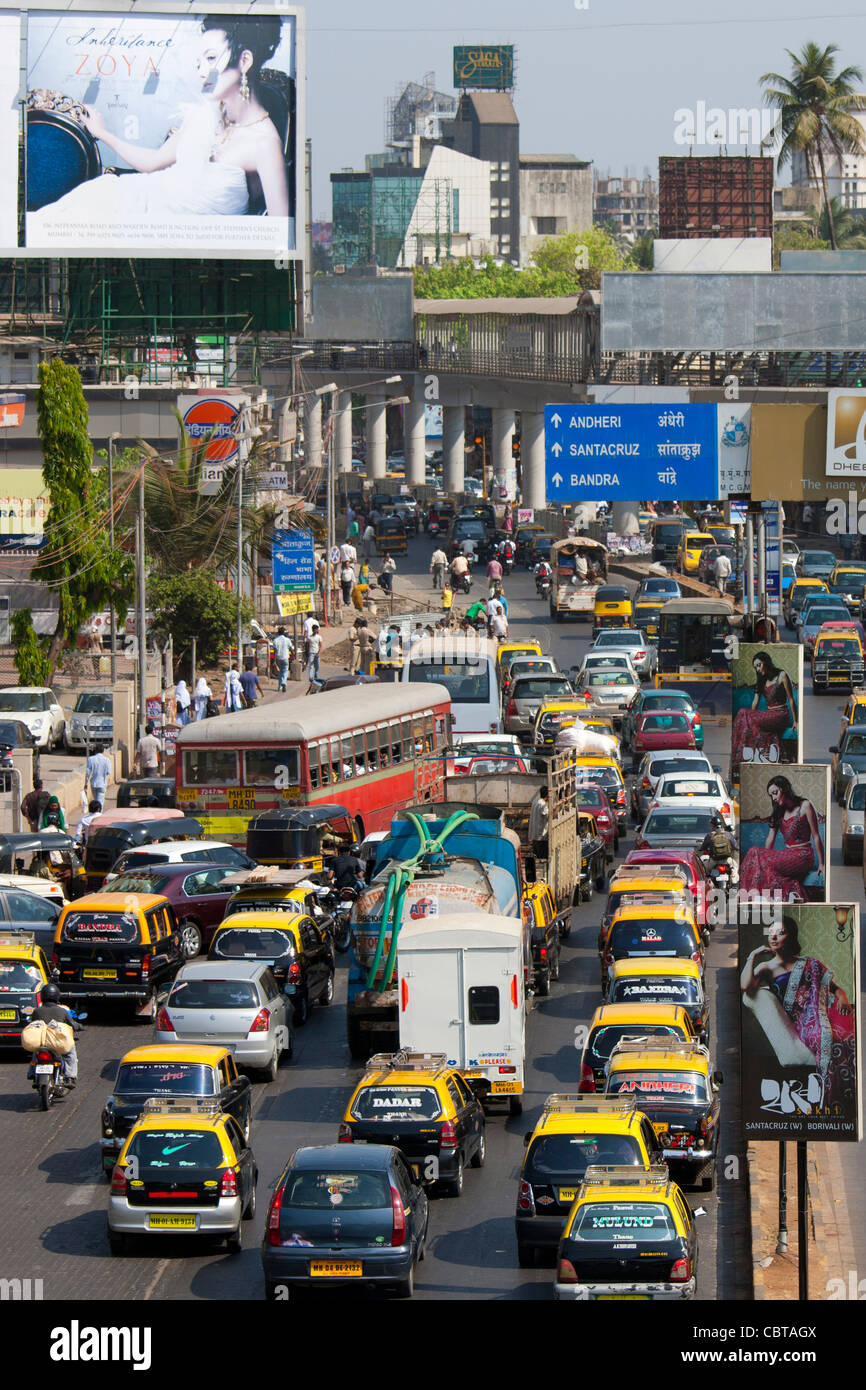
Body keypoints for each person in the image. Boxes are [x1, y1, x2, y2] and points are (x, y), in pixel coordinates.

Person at [30, 15, 290, 230]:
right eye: (198, 62)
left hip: (175, 244)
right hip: (134, 205)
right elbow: (153, 162)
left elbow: (279, 236)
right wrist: (104, 134)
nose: (201, 72)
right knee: (55, 224)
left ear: (244, 61)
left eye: (211, 59)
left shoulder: (264, 143)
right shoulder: (206, 116)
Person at [740, 914, 855, 1107]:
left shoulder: (810, 962)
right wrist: (753, 956)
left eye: (780, 933)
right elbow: (746, 986)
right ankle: (830, 1099)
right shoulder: (767, 967)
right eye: (771, 933)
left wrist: (842, 997)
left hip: (822, 1012)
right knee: (824, 1036)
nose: (774, 937)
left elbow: (835, 988)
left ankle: (848, 1096)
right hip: (800, 1020)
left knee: (847, 1036)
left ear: (791, 936)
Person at [739, 774, 824, 901]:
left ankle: (751, 898)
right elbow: (770, 838)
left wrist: (822, 863)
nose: (773, 798)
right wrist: (765, 857)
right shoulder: (779, 811)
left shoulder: (805, 806)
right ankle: (754, 898)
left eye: (775, 793)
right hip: (787, 853)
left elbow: (816, 836)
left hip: (803, 855)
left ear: (784, 789)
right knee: (755, 853)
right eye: (771, 795)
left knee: (756, 852)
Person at [732, 652, 798, 767]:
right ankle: (741, 755)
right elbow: (755, 702)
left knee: (744, 713)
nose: (757, 669)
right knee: (743, 713)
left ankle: (741, 756)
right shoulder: (761, 681)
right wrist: (750, 716)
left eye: (759, 665)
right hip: (768, 714)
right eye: (755, 667)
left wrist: (796, 721)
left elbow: (791, 699)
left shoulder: (781, 675)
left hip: (781, 714)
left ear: (766, 662)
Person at [27, 982, 81, 1086]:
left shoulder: (37, 1011)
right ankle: (70, 1077)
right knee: (70, 1054)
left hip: (41, 1042)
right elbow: (72, 1024)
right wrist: (79, 1026)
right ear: (57, 996)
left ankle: (32, 1073)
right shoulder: (62, 1011)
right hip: (57, 1043)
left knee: (35, 1052)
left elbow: (32, 1025)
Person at [528, 786, 549, 860]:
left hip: (534, 836)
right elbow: (549, 816)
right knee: (542, 859)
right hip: (541, 837)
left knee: (537, 858)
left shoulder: (535, 801)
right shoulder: (543, 805)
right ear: (547, 795)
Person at [273, 627, 292, 692]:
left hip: (278, 658)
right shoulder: (287, 640)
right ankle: (284, 682)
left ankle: (279, 687)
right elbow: (290, 648)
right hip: (285, 657)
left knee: (280, 672)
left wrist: (274, 661)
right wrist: (293, 655)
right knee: (285, 670)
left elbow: (275, 651)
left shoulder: (275, 640)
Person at [307, 622, 322, 689]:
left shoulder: (319, 637)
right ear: (313, 630)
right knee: (311, 666)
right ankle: (310, 678)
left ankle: (316, 677)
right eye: (316, 629)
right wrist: (307, 652)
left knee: (317, 666)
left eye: (317, 629)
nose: (317, 630)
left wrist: (319, 653)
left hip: (317, 653)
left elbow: (321, 645)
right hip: (311, 653)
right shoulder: (309, 637)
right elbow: (307, 645)